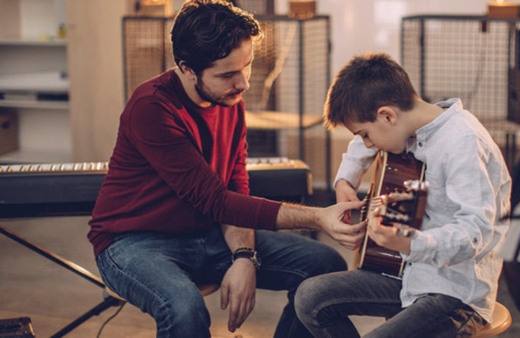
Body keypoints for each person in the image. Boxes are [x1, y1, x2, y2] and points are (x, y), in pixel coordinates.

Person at [88, 1, 365, 337]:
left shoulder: (229, 99)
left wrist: (244, 255)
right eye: (227, 74)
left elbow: (235, 185)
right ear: (187, 68)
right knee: (183, 307)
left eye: (246, 67)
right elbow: (217, 201)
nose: (243, 83)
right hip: (133, 242)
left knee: (325, 267)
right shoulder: (152, 107)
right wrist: (318, 217)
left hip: (206, 234)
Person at [294, 53, 512, 337]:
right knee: (310, 297)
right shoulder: (410, 127)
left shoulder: (462, 142)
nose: (367, 144)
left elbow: (475, 233)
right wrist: (345, 178)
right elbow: (367, 142)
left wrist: (409, 244)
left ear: (387, 115)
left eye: (365, 134)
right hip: (407, 275)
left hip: (455, 294)